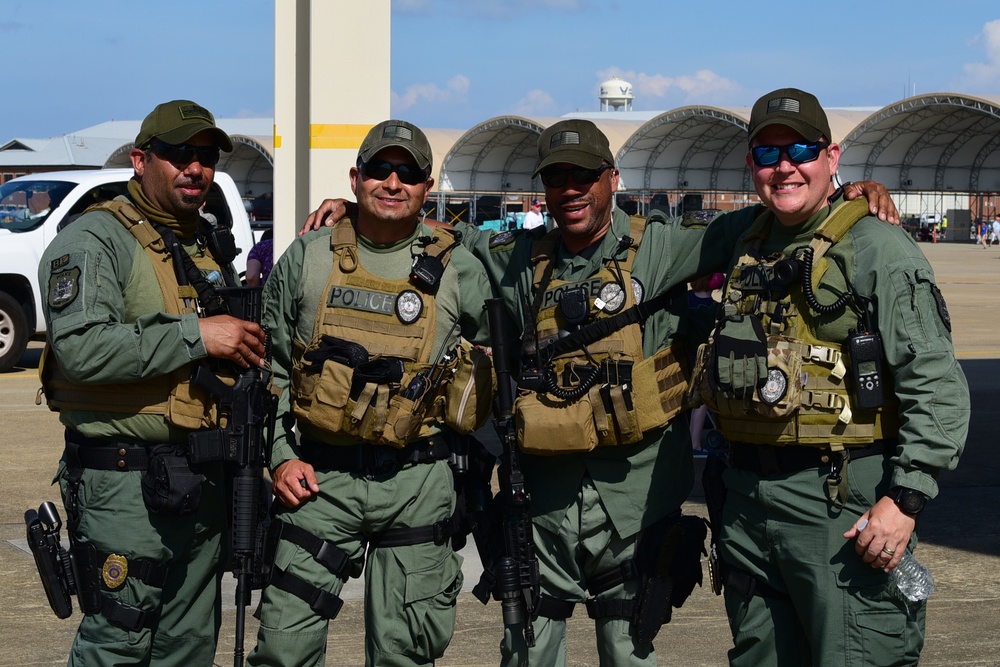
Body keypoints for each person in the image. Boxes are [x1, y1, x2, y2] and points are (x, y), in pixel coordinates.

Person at [302, 118, 899, 666]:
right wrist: (354, 212)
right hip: (542, 511)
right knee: (528, 652)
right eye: (558, 178)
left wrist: (851, 192)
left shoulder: (662, 246)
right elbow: (423, 234)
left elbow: (772, 213)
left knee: (628, 652)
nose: (571, 190)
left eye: (585, 176)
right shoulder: (513, 260)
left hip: (634, 511)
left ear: (611, 179)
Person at [695, 88, 969, 666]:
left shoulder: (877, 247)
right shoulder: (742, 241)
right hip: (747, 509)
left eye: (800, 150)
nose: (785, 167)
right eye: (768, 156)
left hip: (841, 507)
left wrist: (907, 498)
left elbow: (936, 385)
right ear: (751, 167)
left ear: (831, 156)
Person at [247, 120, 495, 667]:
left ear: (427, 187)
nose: (392, 181)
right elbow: (267, 371)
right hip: (317, 481)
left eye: (408, 172)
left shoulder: (461, 268)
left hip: (418, 482)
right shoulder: (307, 256)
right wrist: (280, 459)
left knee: (406, 653)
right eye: (380, 169)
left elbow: (518, 287)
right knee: (284, 648)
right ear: (356, 178)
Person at [37, 100, 267, 665]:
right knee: (118, 638)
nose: (195, 168)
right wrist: (196, 335)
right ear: (141, 160)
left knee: (188, 647)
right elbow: (81, 349)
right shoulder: (95, 241)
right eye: (179, 155)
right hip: (125, 484)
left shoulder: (205, 243)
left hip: (205, 479)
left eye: (206, 157)